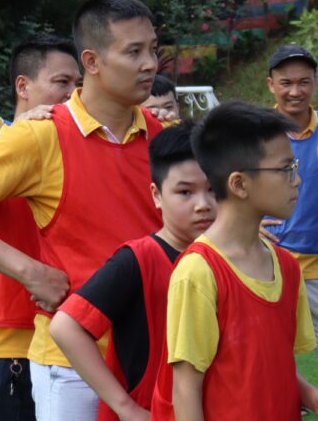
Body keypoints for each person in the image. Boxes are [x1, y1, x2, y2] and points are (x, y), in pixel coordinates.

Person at [0, 0, 164, 420]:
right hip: (71, 362)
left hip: (153, 351)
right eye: (134, 52)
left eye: (153, 50)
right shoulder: (42, 134)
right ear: (92, 61)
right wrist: (29, 271)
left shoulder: (162, 138)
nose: (150, 64)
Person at [151, 101, 318, 420]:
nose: (297, 180)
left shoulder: (286, 266)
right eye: (285, 169)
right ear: (239, 184)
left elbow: (272, 363)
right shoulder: (199, 272)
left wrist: (313, 398)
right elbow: (186, 388)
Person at [49, 122, 215, 420]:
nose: (203, 204)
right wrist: (126, 408)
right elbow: (66, 327)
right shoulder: (139, 259)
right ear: (157, 195)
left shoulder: (229, 258)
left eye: (213, 190)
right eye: (185, 192)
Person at [0, 34, 80, 421]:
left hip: (71, 342)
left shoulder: (79, 150)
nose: (73, 94)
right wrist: (20, 133)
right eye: (62, 82)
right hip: (3, 346)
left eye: (79, 84)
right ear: (22, 86)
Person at [262, 45, 318, 360]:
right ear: (271, 84)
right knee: (268, 354)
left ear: (315, 82)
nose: (295, 92)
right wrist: (249, 224)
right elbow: (226, 183)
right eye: (286, 83)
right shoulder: (255, 131)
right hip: (267, 264)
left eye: (303, 82)